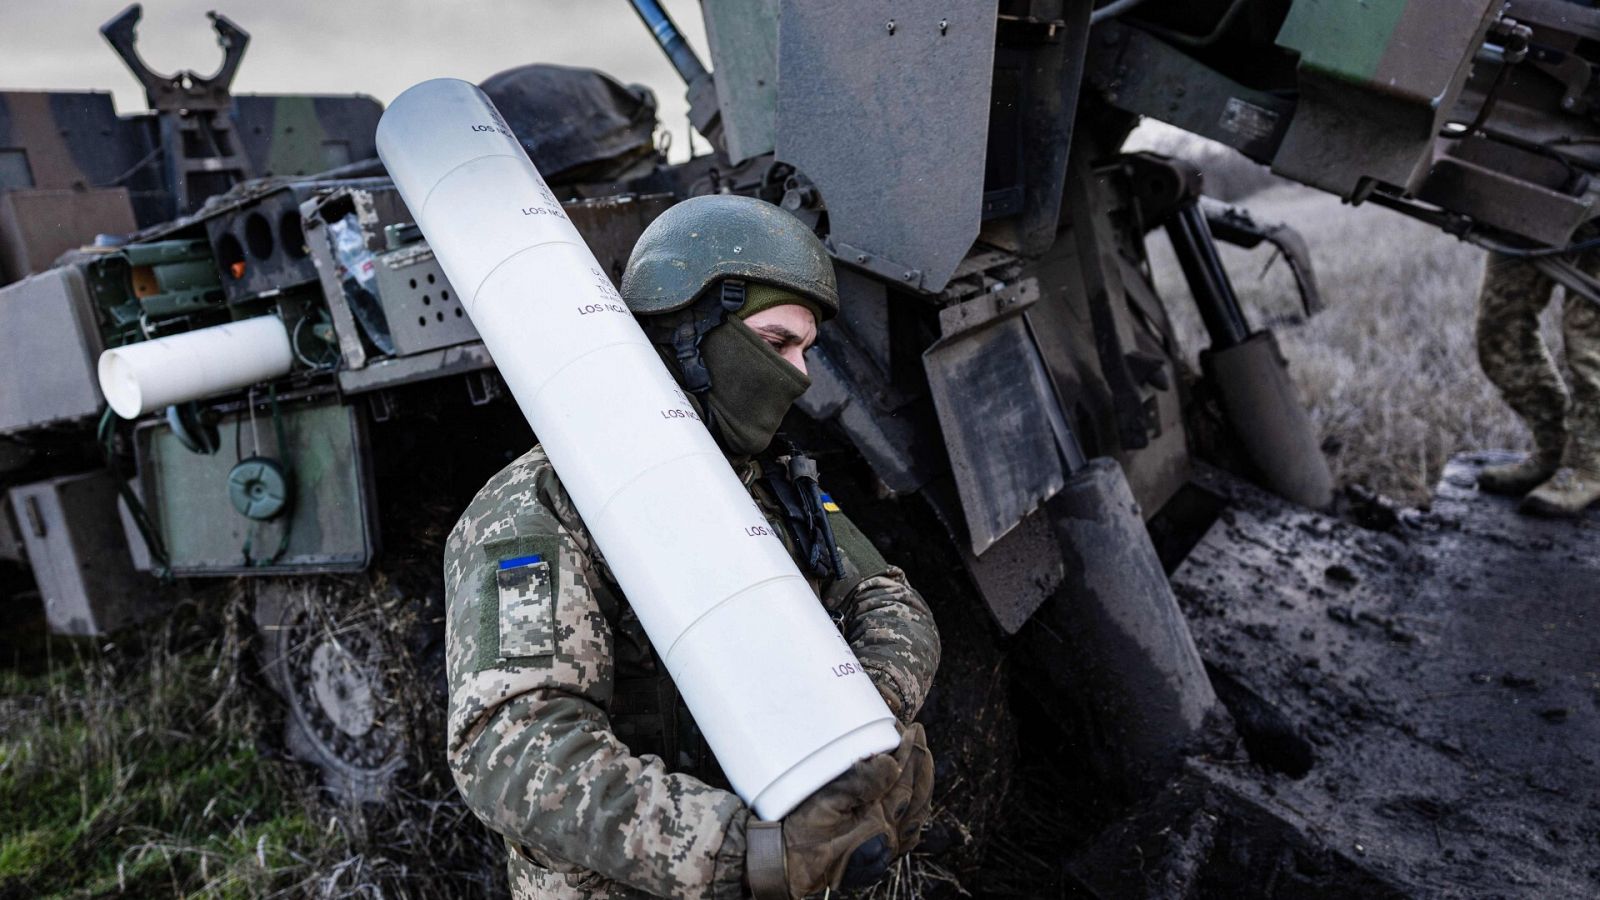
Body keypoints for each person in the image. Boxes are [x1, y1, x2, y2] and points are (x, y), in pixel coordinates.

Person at [442, 195, 942, 899]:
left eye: (807, 350)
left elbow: (887, 601)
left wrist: (860, 739)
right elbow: (513, 748)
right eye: (776, 345)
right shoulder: (542, 506)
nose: (799, 376)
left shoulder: (766, 480)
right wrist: (742, 851)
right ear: (691, 332)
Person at [1475, 250, 1600, 516]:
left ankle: (1589, 466)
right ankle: (1553, 448)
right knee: (1500, 329)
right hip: (1531, 214)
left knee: (1589, 343)